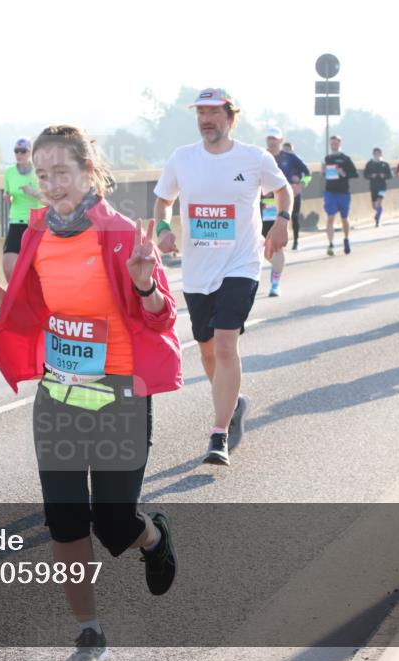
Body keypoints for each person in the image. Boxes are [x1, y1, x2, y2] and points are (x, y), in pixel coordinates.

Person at [0, 124, 181, 661]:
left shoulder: (122, 232)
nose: (53, 184)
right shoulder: (37, 234)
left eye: (63, 172)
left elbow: (162, 316)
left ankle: (150, 538)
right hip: (59, 395)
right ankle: (89, 630)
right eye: (43, 174)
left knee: (113, 523)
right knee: (63, 517)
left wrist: (147, 284)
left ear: (88, 173)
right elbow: (29, 313)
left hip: (119, 393)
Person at [153, 88, 291, 465]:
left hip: (240, 265)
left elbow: (283, 190)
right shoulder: (182, 159)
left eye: (214, 112)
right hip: (198, 272)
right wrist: (163, 229)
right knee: (208, 349)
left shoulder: (254, 158)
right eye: (201, 113)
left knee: (227, 344)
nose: (206, 119)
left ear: (231, 117)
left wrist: (281, 221)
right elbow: (163, 200)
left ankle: (219, 434)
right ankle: (234, 403)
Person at [262, 127, 307, 294]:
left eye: (274, 138)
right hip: (262, 206)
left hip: (281, 205)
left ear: (281, 140)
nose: (271, 141)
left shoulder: (290, 157)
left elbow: (308, 174)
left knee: (277, 246)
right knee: (262, 248)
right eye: (269, 138)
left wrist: (301, 185)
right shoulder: (260, 156)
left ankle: (275, 283)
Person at [3, 137, 42, 281]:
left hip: (36, 223)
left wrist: (32, 192)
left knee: (36, 266)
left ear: (30, 153)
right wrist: (8, 198)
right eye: (16, 151)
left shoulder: (39, 172)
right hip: (16, 221)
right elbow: (8, 192)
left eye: (23, 151)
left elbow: (49, 198)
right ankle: (15, 295)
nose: (19, 154)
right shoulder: (9, 172)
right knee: (8, 264)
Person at [323, 135, 359, 255]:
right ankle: (331, 244)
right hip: (330, 192)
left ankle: (346, 239)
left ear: (340, 144)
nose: (333, 146)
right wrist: (324, 172)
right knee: (330, 218)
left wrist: (343, 173)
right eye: (332, 144)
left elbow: (355, 174)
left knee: (344, 219)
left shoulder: (345, 158)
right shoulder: (327, 158)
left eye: (336, 143)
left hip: (343, 192)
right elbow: (326, 174)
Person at [274, 138, 310, 250]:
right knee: (277, 219)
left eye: (289, 150)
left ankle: (295, 241)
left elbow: (308, 174)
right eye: (285, 150)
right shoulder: (274, 158)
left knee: (294, 217)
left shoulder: (295, 160)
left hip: (294, 194)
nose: (286, 153)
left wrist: (301, 185)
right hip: (276, 195)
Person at [363, 147, 392, 227]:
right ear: (373, 154)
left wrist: (384, 175)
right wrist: (371, 176)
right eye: (375, 154)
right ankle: (378, 213)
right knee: (374, 206)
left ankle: (377, 220)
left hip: (382, 186)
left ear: (381, 154)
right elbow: (365, 175)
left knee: (379, 202)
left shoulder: (385, 164)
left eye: (378, 153)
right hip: (373, 187)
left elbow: (390, 175)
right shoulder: (370, 164)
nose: (377, 155)